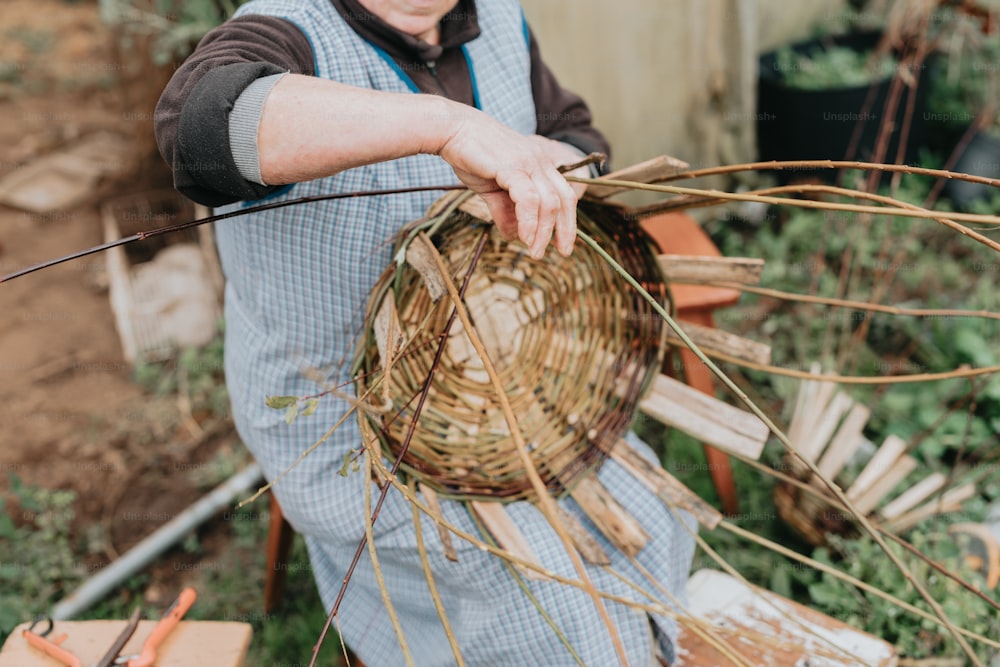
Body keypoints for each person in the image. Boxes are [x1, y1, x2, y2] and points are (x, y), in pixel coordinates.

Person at [155, 1, 696, 664]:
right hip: (353, 429)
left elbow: (575, 133)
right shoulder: (289, 29)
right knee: (553, 597)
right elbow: (199, 128)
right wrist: (441, 125)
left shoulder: (495, 19)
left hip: (506, 387)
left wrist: (554, 168)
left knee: (652, 515)